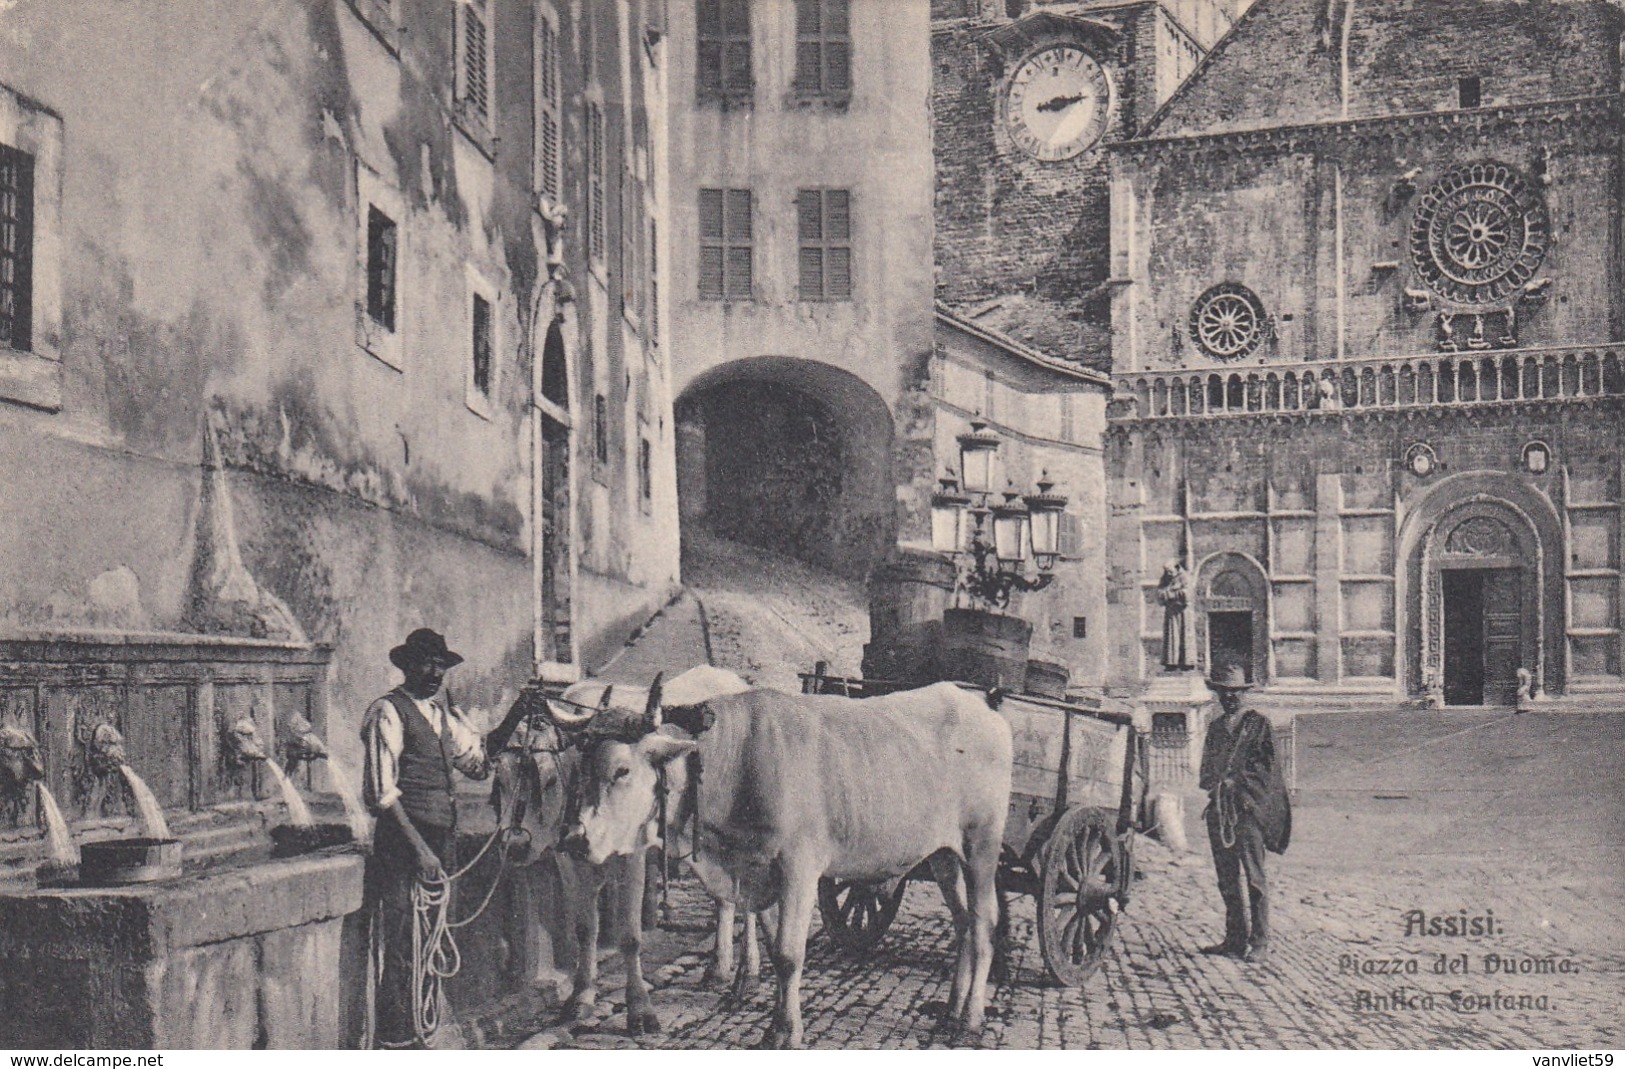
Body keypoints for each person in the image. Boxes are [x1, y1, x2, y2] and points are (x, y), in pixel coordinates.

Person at [361, 628, 526, 1048]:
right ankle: (394, 1042)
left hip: (439, 843)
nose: (434, 672)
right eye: (425, 663)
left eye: (440, 665)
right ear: (406, 666)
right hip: (403, 845)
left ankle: (422, 1035)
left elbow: (478, 762)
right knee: (403, 943)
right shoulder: (387, 712)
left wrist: (518, 714)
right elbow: (381, 794)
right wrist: (420, 851)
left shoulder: (441, 716)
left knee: (432, 939)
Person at [1197, 663, 1290, 963]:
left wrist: (1237, 782)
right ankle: (1235, 938)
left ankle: (1260, 941)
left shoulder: (1258, 726)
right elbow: (1206, 771)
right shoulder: (1215, 729)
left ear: (1244, 694)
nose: (1230, 698)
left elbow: (1268, 768)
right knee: (1227, 879)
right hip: (1220, 812)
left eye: (1235, 692)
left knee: (1254, 878)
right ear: (1218, 695)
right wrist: (1216, 783)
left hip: (1247, 813)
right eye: (1225, 693)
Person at [1156, 560, 1191, 670]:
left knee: (1184, 634)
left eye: (1170, 571)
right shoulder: (1165, 578)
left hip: (1183, 612)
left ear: (1176, 568)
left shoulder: (1185, 577)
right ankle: (1171, 662)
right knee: (1171, 635)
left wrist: (1171, 593)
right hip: (1171, 611)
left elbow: (1187, 594)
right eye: (1167, 572)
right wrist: (1168, 593)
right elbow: (1159, 593)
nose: (1169, 574)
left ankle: (1186, 662)